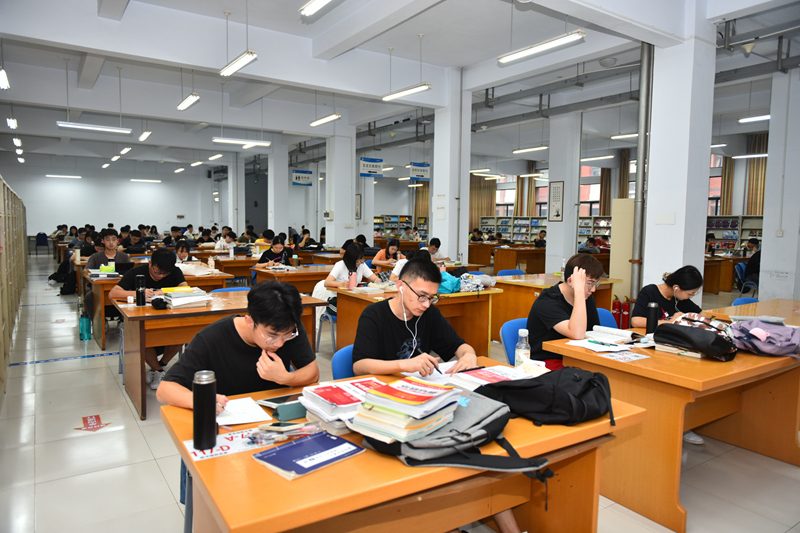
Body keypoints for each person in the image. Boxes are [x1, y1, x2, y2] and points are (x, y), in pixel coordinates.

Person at [156, 281, 318, 409]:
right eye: (272, 336)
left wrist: (285, 378)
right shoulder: (211, 338)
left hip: (274, 412)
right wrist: (202, 400)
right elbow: (164, 390)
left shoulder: (288, 327)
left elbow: (313, 373)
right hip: (227, 415)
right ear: (250, 321)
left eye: (287, 335)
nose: (280, 343)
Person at [109, 248, 189, 389]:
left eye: (165, 274)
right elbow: (113, 293)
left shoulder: (174, 271)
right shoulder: (137, 272)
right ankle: (158, 370)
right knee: (141, 335)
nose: (161, 276)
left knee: (182, 333)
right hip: (142, 320)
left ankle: (159, 367)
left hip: (167, 319)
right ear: (150, 263)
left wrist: (162, 291)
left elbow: (185, 288)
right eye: (157, 272)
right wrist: (137, 293)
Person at [526, 254, 603, 371]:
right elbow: (577, 334)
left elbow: (593, 332)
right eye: (590, 283)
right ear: (571, 281)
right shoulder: (547, 300)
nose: (593, 289)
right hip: (547, 361)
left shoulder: (587, 297)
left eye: (595, 284)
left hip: (575, 356)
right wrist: (579, 291)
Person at [630, 266, 704, 328]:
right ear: (676, 288)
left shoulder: (680, 298)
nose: (690, 297)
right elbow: (636, 321)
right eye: (690, 294)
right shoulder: (649, 292)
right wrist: (670, 322)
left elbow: (702, 314)